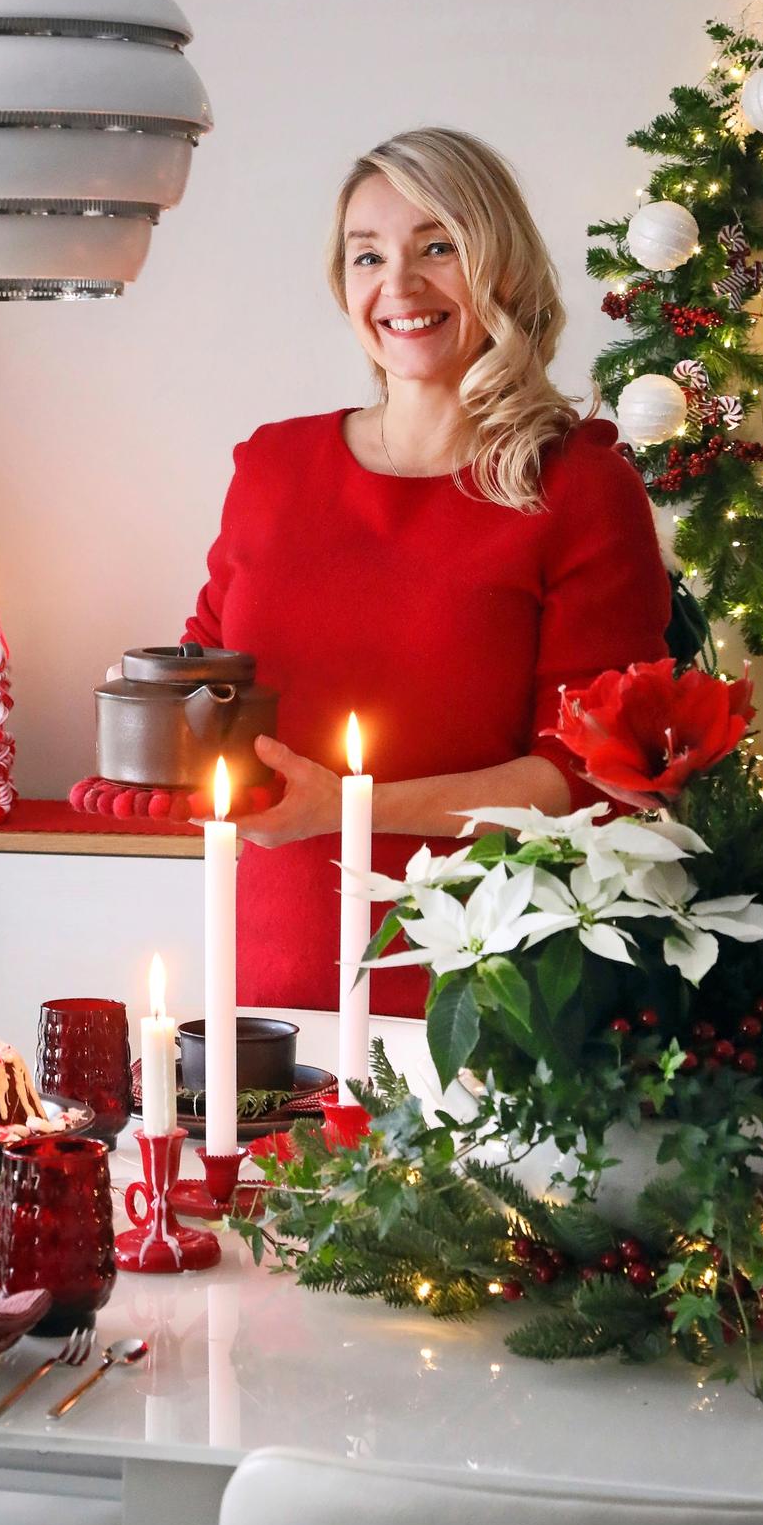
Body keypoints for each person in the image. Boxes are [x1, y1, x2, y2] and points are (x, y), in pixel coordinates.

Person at [185, 126, 670, 1013]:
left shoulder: (580, 488)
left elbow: (587, 775)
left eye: (436, 247)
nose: (398, 285)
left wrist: (346, 806)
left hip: (487, 992)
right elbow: (206, 668)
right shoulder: (272, 466)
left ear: (504, 269)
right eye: (366, 254)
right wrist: (143, 734)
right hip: (266, 979)